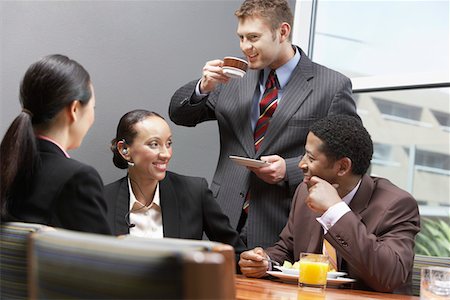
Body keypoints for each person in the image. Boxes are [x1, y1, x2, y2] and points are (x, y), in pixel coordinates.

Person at [169, 0, 360, 248]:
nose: (245, 47)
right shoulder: (232, 76)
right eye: (241, 38)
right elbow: (180, 115)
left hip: (283, 223)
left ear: (282, 31)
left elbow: (348, 155)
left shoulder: (332, 86)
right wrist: (203, 87)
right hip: (220, 219)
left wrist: (290, 169)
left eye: (253, 37)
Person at [238, 115, 420, 294]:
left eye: (311, 158)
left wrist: (336, 210)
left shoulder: (397, 204)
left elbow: (390, 276)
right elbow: (287, 248)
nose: (301, 164)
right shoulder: (305, 191)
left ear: (342, 167)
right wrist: (265, 262)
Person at [104, 109, 245, 253]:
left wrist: (251, 262)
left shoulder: (195, 192)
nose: (166, 154)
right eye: (154, 144)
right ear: (125, 150)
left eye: (169, 143)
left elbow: (235, 253)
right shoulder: (102, 201)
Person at [0, 54, 111, 234]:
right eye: (93, 108)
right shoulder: (78, 179)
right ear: (74, 109)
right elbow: (104, 259)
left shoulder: (7, 168)